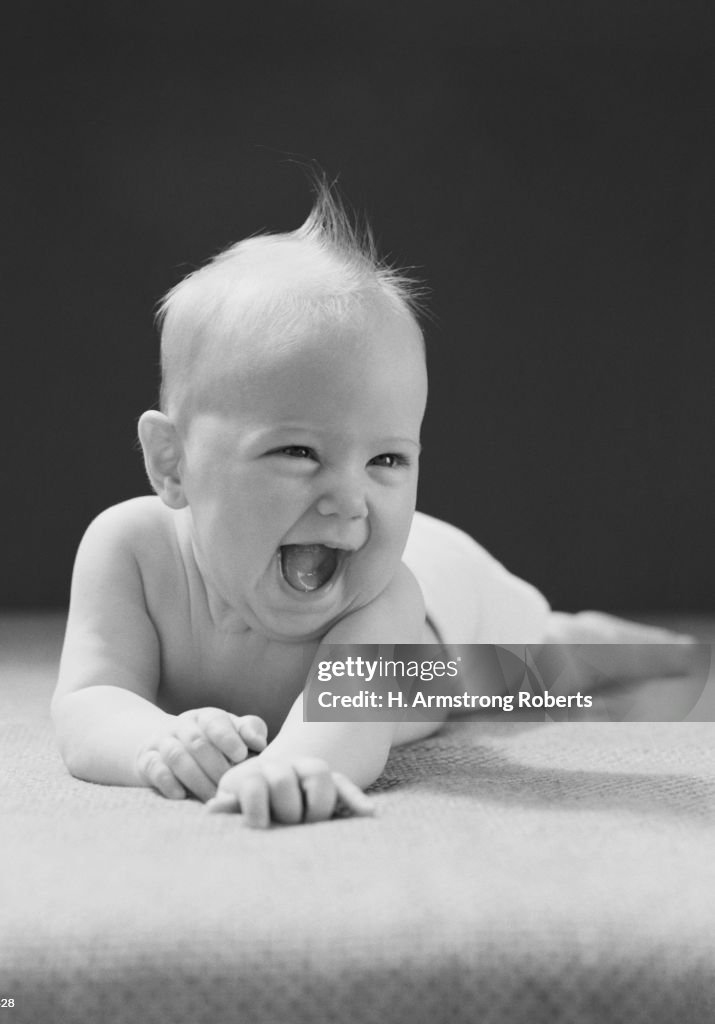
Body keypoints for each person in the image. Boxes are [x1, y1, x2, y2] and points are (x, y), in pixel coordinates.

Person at [51, 183, 694, 828]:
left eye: (387, 460)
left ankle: (631, 644)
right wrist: (153, 743)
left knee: (537, 668)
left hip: (451, 615)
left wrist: (295, 763)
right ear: (172, 461)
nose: (349, 501)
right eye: (299, 452)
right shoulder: (131, 551)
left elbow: (345, 729)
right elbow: (90, 700)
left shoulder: (382, 594)